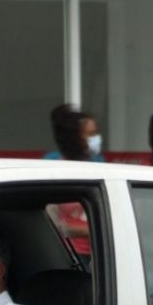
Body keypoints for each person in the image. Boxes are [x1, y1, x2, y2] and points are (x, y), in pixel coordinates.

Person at [44, 104, 101, 260]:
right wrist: (90, 231)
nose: (96, 139)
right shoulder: (58, 174)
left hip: (99, 254)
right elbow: (52, 223)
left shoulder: (97, 171)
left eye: (96, 133)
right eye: (90, 134)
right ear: (75, 138)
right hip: (72, 256)